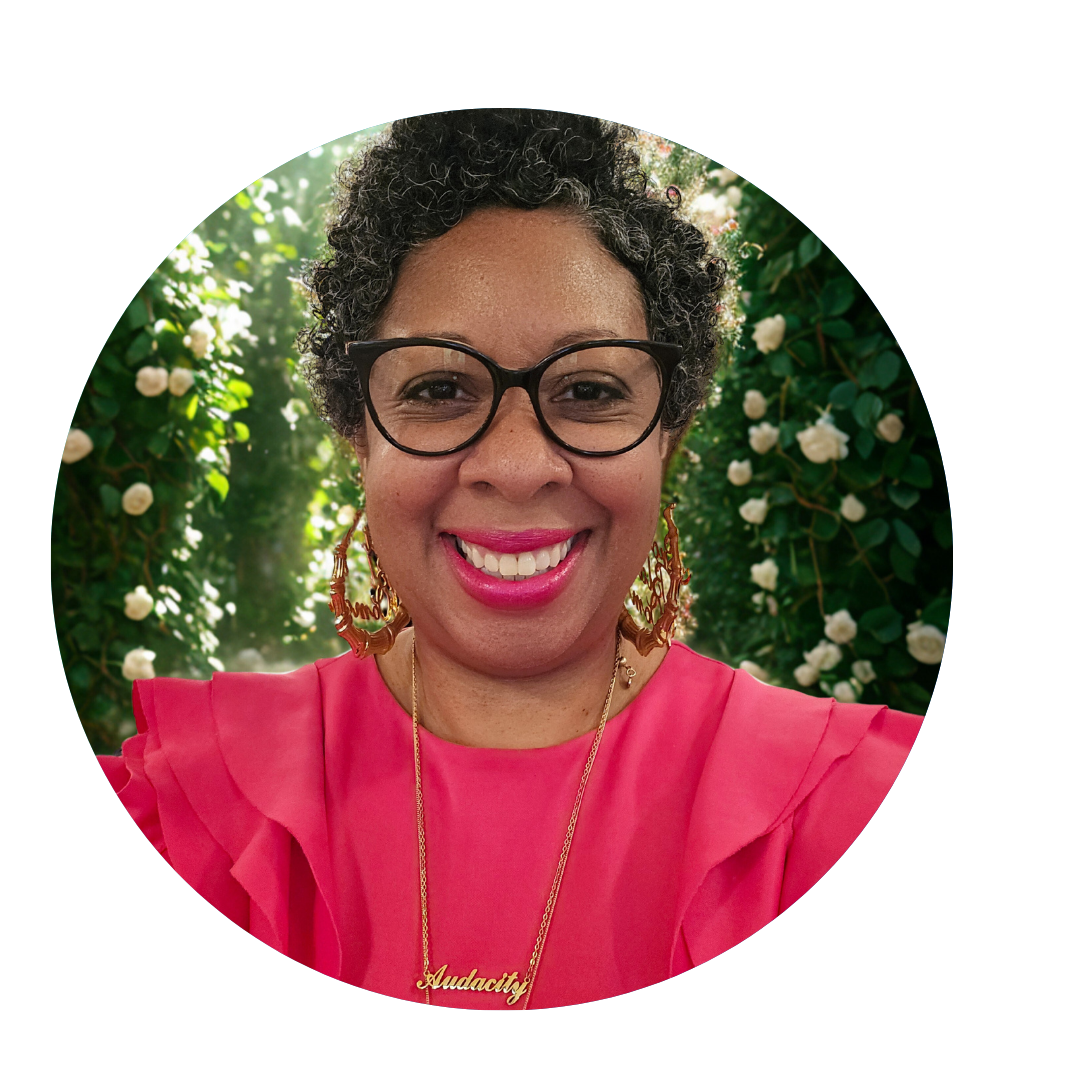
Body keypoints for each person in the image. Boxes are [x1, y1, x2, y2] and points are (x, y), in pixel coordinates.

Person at [98, 109, 922, 1010]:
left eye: (591, 390)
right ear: (358, 434)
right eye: (439, 389)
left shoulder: (864, 815)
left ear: (670, 434)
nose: (520, 466)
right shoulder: (178, 817)